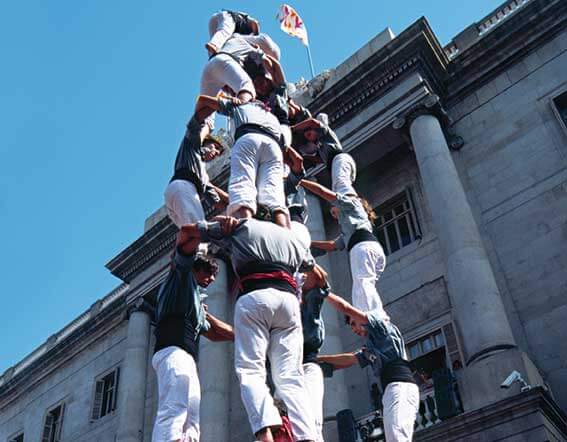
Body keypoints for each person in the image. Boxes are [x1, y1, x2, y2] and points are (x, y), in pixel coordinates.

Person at [179, 216, 317, 442]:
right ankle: (307, 436)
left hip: (255, 295)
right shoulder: (292, 237)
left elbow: (189, 230)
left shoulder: (244, 225)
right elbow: (309, 266)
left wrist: (220, 223)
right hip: (288, 302)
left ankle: (264, 434)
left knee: (251, 370)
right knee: (290, 375)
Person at [151, 228, 234, 442]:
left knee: (192, 413)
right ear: (197, 268)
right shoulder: (180, 278)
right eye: (210, 273)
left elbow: (215, 334)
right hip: (171, 351)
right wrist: (202, 231)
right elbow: (182, 251)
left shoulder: (196, 303)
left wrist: (245, 335)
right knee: (174, 407)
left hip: (186, 356)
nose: (213, 279)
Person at [315, 292, 419, 442]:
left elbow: (345, 308)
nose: (353, 330)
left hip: (400, 386)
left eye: (352, 323)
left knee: (397, 437)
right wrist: (316, 360)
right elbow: (349, 359)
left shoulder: (381, 328)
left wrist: (323, 291)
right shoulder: (371, 346)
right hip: (391, 390)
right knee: (394, 437)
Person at [195, 94, 293, 228]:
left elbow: (203, 100)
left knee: (243, 184)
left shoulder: (241, 105)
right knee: (273, 193)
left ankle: (246, 225)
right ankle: (284, 229)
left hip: (248, 139)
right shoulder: (271, 116)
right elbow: (284, 144)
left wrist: (198, 125)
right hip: (273, 147)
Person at [299, 179, 386, 313]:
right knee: (364, 285)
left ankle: (369, 317)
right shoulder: (350, 228)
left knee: (362, 283)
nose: (334, 216)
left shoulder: (350, 204)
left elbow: (321, 191)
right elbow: (332, 245)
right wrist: (307, 243)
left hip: (362, 247)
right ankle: (368, 315)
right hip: (370, 248)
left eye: (333, 211)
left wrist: (301, 181)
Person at [200, 32, 281, 129]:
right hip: (224, 60)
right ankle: (238, 108)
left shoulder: (244, 67)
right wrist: (272, 73)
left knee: (207, 121)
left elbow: (226, 87)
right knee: (247, 87)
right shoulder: (254, 53)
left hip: (211, 67)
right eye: (263, 84)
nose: (260, 87)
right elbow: (271, 63)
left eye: (260, 90)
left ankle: (192, 134)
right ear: (267, 80)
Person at [164, 115, 228, 227]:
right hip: (183, 186)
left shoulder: (202, 175)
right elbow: (200, 123)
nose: (216, 153)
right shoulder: (193, 145)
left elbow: (218, 202)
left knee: (193, 237)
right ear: (206, 141)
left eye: (218, 153)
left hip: (178, 194)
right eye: (215, 147)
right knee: (197, 231)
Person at [292, 117, 356, 196]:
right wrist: (304, 157)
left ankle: (350, 200)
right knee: (337, 190)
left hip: (339, 159)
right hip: (335, 164)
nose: (309, 137)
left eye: (309, 134)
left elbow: (312, 122)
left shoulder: (325, 132)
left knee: (341, 184)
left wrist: (292, 128)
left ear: (314, 130)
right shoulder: (319, 147)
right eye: (308, 137)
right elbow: (321, 160)